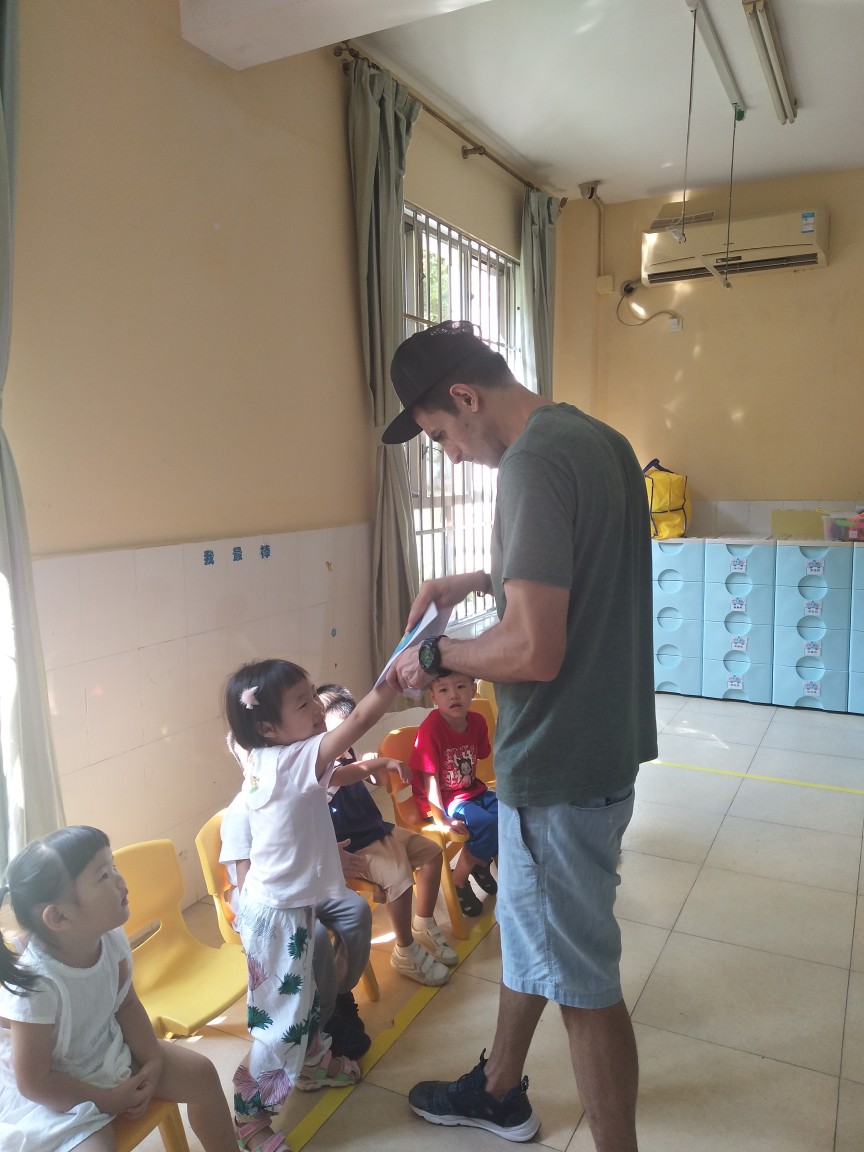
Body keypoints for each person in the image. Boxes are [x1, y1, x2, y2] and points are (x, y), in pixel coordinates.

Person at [383, 320, 657, 1152]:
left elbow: (534, 650)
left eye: (441, 436)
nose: (452, 455)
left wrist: (434, 656)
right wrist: (477, 579)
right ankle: (498, 1087)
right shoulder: (600, 441)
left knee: (583, 984)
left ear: (466, 397)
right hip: (602, 744)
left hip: (558, 764)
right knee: (534, 933)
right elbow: (581, 564)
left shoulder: (531, 462)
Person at [223, 659, 405, 1144]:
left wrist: (367, 766)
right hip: (277, 916)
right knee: (280, 1020)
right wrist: (391, 679)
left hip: (284, 907)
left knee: (304, 998)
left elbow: (337, 777)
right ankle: (249, 1116)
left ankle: (312, 1062)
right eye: (304, 703)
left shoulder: (267, 759)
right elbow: (359, 720)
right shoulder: (293, 758)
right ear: (268, 727)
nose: (318, 710)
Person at [0, 825, 238, 1152]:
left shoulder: (110, 937)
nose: (120, 880)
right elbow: (34, 1082)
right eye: (103, 876)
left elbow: (126, 1005)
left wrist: (152, 1061)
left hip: (106, 1051)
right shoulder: (38, 984)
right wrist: (106, 1099)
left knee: (202, 1074)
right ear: (58, 917)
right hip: (59, 1092)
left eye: (113, 866)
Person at [219, 778, 373, 1060]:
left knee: (356, 911)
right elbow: (247, 881)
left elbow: (310, 846)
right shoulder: (242, 810)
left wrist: (328, 855)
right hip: (264, 901)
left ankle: (340, 993)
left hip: (302, 885)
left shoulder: (296, 797)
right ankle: (323, 1022)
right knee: (314, 936)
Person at [318, 684, 457, 986]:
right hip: (357, 845)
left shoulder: (349, 753)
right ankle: (405, 949)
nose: (345, 739)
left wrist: (372, 766)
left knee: (432, 854)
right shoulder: (321, 767)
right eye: (337, 733)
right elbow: (345, 776)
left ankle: (423, 922)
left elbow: (378, 782)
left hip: (378, 829)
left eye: (349, 730)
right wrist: (375, 763)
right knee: (400, 880)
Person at [409, 670, 498, 917]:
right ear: (433, 697)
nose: (453, 696)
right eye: (443, 690)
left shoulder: (477, 721)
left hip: (471, 790)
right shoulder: (431, 729)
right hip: (444, 800)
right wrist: (441, 819)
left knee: (509, 816)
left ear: (473, 690)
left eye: (460, 687)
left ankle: (479, 863)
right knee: (485, 823)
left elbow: (482, 753)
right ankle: (459, 880)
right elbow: (429, 780)